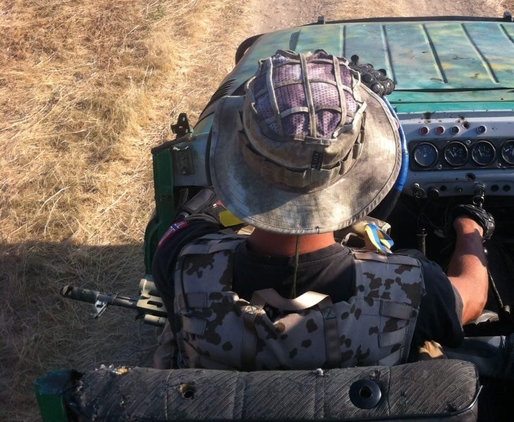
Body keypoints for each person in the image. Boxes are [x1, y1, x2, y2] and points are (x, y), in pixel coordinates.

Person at [152, 49, 491, 371]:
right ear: (358, 167)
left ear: (240, 165)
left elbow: (201, 215)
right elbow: (472, 298)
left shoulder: (179, 259)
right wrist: (470, 229)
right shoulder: (414, 285)